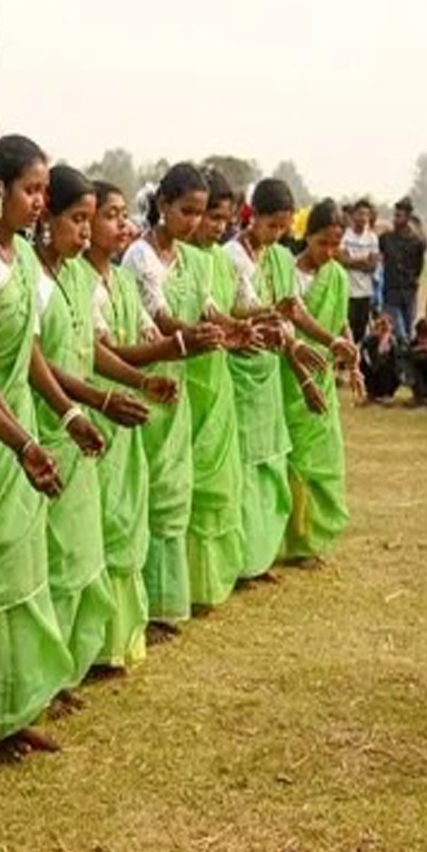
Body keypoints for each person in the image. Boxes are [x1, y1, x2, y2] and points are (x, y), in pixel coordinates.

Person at [0, 135, 80, 753]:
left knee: (21, 573)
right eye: (30, 190)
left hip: (19, 426)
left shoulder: (22, 258)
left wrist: (68, 410)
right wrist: (18, 441)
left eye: (42, 192)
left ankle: (13, 704)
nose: (38, 203)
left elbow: (27, 353)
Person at [32, 167, 147, 691]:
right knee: (48, 559)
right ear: (46, 219)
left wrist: (121, 388)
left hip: (74, 426)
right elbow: (30, 363)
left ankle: (64, 672)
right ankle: (41, 678)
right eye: (77, 219)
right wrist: (89, 404)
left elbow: (88, 352)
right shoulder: (31, 279)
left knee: (80, 552)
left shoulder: (75, 276)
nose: (84, 231)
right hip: (42, 425)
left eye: (87, 219)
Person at [124, 164, 229, 633]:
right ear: (162, 205)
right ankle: (143, 602)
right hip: (145, 372)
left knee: (174, 485)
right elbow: (157, 318)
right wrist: (195, 337)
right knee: (148, 485)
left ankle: (167, 600)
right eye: (185, 211)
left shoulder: (188, 258)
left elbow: (208, 309)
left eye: (199, 213)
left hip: (178, 380)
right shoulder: (141, 258)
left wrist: (235, 329)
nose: (192, 222)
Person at [80, 181, 179, 671]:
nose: (121, 225)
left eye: (123, 215)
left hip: (123, 413)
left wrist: (166, 354)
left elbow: (146, 332)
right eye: (108, 215)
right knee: (97, 526)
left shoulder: (117, 280)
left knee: (125, 518)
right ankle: (92, 646)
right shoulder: (80, 282)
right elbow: (101, 353)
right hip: (92, 410)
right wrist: (170, 354)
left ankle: (119, 638)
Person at [224, 179, 335, 575]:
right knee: (243, 467)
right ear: (253, 215)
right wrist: (275, 317)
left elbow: (290, 314)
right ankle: (240, 561)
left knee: (270, 464)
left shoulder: (277, 258)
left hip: (269, 373)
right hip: (239, 371)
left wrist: (307, 354)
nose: (276, 235)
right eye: (271, 225)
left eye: (283, 229)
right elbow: (242, 311)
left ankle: (262, 555)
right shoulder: (231, 258)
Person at [181, 168, 253, 613]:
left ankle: (210, 578)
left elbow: (217, 309)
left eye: (223, 219)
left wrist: (239, 328)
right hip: (186, 377)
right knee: (189, 479)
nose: (214, 227)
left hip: (216, 373)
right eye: (209, 216)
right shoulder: (174, 258)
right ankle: (183, 583)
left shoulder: (216, 260)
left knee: (219, 478)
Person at [284, 199, 358, 560]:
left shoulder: (338, 276)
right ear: (306, 236)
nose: (329, 252)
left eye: (335, 244)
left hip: (324, 374)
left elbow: (342, 321)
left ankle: (311, 537)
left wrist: (352, 357)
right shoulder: (288, 273)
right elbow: (289, 320)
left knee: (323, 459)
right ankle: (288, 538)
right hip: (291, 375)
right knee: (294, 457)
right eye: (322, 243)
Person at [378, 198, 425, 343]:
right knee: (400, 334)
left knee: (409, 332)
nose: (395, 219)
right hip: (391, 293)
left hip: (409, 293)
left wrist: (413, 280)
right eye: (395, 215)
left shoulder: (417, 242)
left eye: (399, 216)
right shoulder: (386, 239)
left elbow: (419, 266)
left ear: (408, 218)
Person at [341, 199, 381, 344]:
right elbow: (343, 261)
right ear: (353, 216)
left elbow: (373, 265)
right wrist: (363, 260)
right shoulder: (345, 236)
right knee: (347, 329)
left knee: (361, 330)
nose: (363, 218)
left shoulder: (372, 238)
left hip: (365, 292)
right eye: (360, 214)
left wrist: (353, 261)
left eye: (366, 214)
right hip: (348, 292)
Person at [359, 312, 400, 402]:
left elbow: (397, 363)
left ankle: (386, 394)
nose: (384, 328)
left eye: (386, 325)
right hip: (373, 374)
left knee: (388, 366)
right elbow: (364, 354)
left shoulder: (395, 342)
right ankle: (371, 393)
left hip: (389, 377)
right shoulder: (370, 341)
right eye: (381, 325)